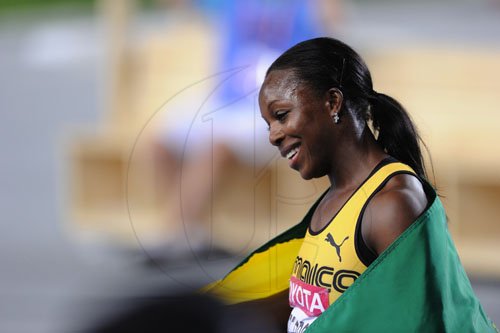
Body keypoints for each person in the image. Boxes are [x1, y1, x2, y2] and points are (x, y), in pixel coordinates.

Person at [204, 37, 497, 332]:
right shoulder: (334, 201)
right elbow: (308, 306)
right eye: (269, 124)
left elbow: (418, 322)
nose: (273, 135)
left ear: (333, 102)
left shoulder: (391, 204)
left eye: (281, 116)